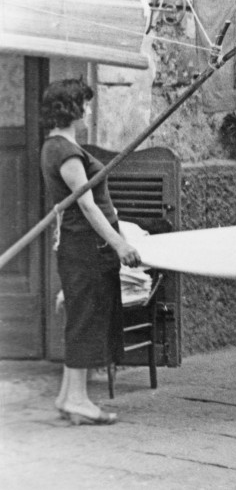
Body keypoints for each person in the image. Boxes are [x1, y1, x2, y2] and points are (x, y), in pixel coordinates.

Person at [41, 79, 140, 426]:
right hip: (87, 248)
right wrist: (119, 243)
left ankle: (69, 396)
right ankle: (80, 401)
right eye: (82, 102)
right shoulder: (65, 152)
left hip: (82, 246)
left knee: (81, 319)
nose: (86, 109)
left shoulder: (57, 146)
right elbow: (87, 205)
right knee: (87, 322)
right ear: (71, 107)